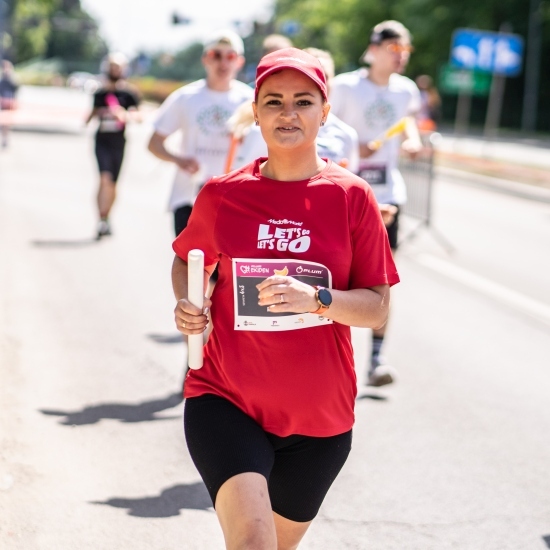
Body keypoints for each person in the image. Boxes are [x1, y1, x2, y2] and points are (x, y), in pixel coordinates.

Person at [171, 48, 399, 550]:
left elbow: (377, 306)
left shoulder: (351, 196)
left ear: (325, 111)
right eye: (273, 101)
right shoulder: (224, 194)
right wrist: (193, 304)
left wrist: (315, 298)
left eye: (303, 101)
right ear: (256, 112)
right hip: (225, 399)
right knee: (253, 543)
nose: (288, 113)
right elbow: (189, 262)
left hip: (320, 421)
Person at [330, 20, 422, 387]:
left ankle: (377, 359)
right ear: (376, 49)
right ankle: (334, 359)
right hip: (346, 195)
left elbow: (408, 122)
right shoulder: (347, 87)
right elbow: (327, 131)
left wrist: (412, 141)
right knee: (339, 276)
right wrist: (357, 148)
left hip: (386, 194)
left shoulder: (406, 90)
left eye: (406, 51)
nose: (401, 57)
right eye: (394, 49)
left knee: (381, 278)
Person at [147, 29, 253, 238]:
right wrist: (179, 159)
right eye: (216, 55)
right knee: (189, 269)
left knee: (222, 271)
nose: (223, 62)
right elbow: (154, 143)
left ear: (239, 61)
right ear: (205, 58)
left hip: (233, 200)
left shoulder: (250, 101)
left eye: (230, 56)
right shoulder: (186, 97)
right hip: (188, 197)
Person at [85, 53, 140, 239]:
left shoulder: (129, 94)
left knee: (114, 183)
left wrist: (123, 114)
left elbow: (139, 116)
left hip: (119, 142)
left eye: (118, 67)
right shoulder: (100, 93)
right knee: (104, 179)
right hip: (102, 141)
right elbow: (88, 118)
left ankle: (107, 216)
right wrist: (100, 112)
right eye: (112, 66)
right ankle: (100, 219)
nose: (114, 70)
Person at [0, 60, 19, 149]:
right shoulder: (2, 79)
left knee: (8, 123)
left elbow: (16, 88)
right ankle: (4, 138)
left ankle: (6, 138)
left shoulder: (12, 79)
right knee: (4, 122)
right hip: (3, 103)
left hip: (10, 103)